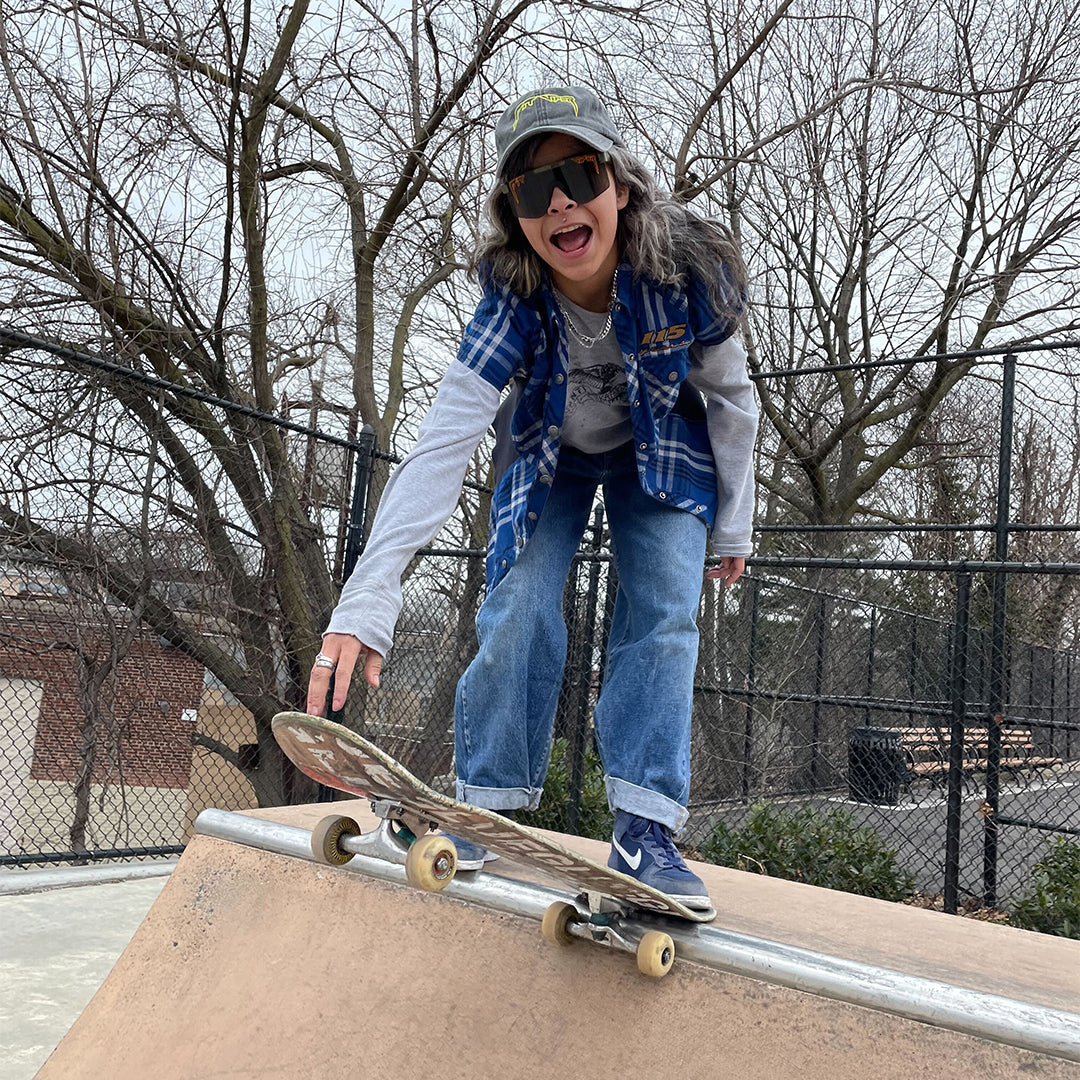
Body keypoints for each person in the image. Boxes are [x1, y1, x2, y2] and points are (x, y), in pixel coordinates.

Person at [307, 85, 758, 909]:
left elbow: (732, 397)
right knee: (516, 605)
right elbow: (444, 438)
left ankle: (645, 828)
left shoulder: (690, 267)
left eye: (578, 177)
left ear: (620, 184)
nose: (559, 206)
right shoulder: (513, 294)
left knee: (662, 611)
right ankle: (486, 803)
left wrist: (735, 522)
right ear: (515, 215)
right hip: (548, 455)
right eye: (530, 192)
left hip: (660, 452)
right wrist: (369, 589)